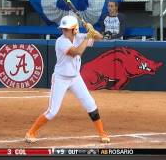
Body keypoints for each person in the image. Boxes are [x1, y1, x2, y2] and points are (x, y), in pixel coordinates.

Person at [25, 15, 110, 143]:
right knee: (53, 111)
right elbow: (77, 52)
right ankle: (30, 132)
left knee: (91, 104)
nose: (64, 31)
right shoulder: (61, 41)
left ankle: (102, 133)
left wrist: (91, 30)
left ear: (75, 30)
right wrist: (88, 36)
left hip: (75, 78)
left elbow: (100, 37)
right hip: (61, 78)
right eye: (63, 29)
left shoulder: (80, 37)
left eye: (67, 29)